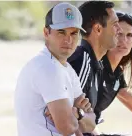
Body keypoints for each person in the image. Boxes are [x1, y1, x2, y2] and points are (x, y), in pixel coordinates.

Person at [15, 3, 96, 136]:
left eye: (74, 33)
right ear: (46, 32)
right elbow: (68, 127)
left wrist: (76, 113)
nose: (68, 39)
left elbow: (91, 123)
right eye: (61, 32)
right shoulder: (48, 67)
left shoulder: (66, 68)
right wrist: (77, 115)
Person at [67, 0, 122, 111]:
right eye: (115, 24)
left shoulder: (94, 63)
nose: (119, 30)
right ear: (98, 29)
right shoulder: (81, 62)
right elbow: (68, 117)